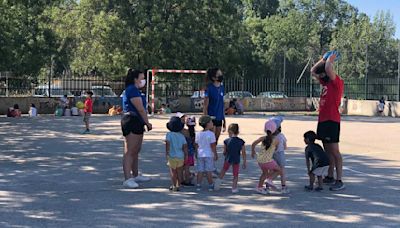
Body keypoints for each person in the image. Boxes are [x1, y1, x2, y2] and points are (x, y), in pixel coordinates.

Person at [311, 51, 345, 191]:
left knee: (335, 151)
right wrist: (322, 59)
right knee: (327, 150)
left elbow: (327, 69)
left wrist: (329, 60)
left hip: (332, 119)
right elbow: (313, 71)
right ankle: (330, 176)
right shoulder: (325, 83)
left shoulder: (337, 82)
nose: (323, 74)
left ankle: (339, 179)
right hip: (323, 119)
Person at [121, 69, 152, 188]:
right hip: (131, 120)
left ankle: (135, 174)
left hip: (137, 121)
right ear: (135, 79)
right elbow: (140, 108)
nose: (143, 80)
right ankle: (127, 178)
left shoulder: (137, 90)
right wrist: (147, 123)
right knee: (130, 151)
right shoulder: (132, 90)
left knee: (136, 150)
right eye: (142, 78)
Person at [251, 119, 282, 195]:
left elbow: (253, 144)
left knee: (264, 173)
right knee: (279, 170)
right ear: (275, 130)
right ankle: (269, 180)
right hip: (268, 161)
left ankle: (259, 187)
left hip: (260, 160)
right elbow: (277, 149)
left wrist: (253, 151)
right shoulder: (276, 140)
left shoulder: (263, 138)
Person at [214, 124, 246, 193]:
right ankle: (234, 188)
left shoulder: (226, 141)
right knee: (235, 174)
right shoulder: (241, 141)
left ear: (230, 131)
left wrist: (225, 153)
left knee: (223, 171)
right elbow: (243, 152)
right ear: (237, 131)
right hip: (236, 159)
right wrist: (244, 161)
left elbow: (224, 151)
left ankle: (217, 185)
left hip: (228, 158)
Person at [195, 115, 219, 191]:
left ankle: (198, 184)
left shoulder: (198, 134)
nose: (212, 123)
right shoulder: (211, 134)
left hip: (200, 154)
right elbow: (213, 145)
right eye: (211, 122)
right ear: (208, 124)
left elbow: (196, 144)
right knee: (209, 170)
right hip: (208, 154)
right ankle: (211, 184)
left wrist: (196, 153)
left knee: (200, 170)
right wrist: (215, 154)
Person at [203, 68, 226, 144]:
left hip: (219, 117)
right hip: (211, 116)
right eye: (218, 75)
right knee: (211, 139)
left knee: (216, 138)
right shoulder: (209, 88)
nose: (221, 76)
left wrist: (224, 120)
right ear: (213, 78)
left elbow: (222, 104)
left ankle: (213, 153)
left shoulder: (222, 88)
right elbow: (205, 105)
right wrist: (205, 119)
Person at [165, 116, 188, 191]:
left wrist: (167, 153)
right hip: (180, 156)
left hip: (172, 156)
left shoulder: (169, 135)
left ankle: (174, 185)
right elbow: (185, 146)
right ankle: (179, 184)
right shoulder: (182, 136)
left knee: (173, 172)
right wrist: (186, 155)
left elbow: (167, 144)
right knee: (179, 171)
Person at [270, 116, 289, 194]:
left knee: (272, 170)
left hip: (271, 154)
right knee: (282, 170)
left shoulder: (270, 137)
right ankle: (283, 186)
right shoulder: (281, 136)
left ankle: (268, 185)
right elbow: (285, 146)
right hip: (280, 154)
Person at [182, 115, 196, 186]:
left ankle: (182, 179)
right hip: (190, 152)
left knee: (182, 167)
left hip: (183, 151)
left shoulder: (183, 132)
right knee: (187, 167)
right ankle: (187, 180)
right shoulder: (193, 134)